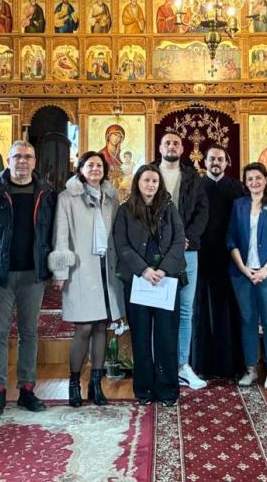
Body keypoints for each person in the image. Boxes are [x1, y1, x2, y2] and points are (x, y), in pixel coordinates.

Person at [0, 141, 57, 416]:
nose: (22, 161)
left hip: (33, 274)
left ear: (34, 162)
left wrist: (55, 269)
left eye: (28, 157)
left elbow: (54, 234)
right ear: (8, 161)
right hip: (0, 275)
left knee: (29, 333)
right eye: (17, 156)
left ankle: (27, 390)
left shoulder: (46, 194)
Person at [49, 152, 124, 407]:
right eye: (90, 165)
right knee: (83, 328)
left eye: (99, 165)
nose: (95, 169)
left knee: (101, 326)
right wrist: (61, 272)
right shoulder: (67, 197)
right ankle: (74, 383)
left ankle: (96, 384)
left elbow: (117, 233)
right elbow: (61, 235)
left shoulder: (111, 197)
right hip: (81, 269)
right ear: (80, 169)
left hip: (106, 269)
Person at [113, 165, 187, 406]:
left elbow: (179, 241)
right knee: (141, 337)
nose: (150, 185)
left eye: (155, 181)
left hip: (166, 281)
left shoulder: (169, 208)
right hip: (138, 281)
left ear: (159, 184)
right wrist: (144, 270)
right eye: (146, 180)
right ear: (138, 182)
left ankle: (168, 390)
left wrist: (163, 270)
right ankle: (144, 389)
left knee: (166, 337)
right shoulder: (125, 210)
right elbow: (121, 244)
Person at [154, 132, 209, 390]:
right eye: (167, 142)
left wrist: (187, 238)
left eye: (176, 143)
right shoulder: (149, 173)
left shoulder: (192, 176)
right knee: (161, 309)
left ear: (182, 148)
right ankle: (162, 366)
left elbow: (202, 211)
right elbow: (139, 209)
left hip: (188, 250)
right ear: (160, 147)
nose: (171, 146)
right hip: (157, 252)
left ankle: (183, 365)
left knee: (186, 309)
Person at [228, 163, 267, 390]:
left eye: (258, 177)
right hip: (242, 273)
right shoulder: (239, 205)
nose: (254, 182)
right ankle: (251, 369)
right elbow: (231, 239)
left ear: (265, 179)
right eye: (250, 178)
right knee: (247, 321)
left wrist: (266, 269)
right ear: (245, 182)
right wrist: (244, 268)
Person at [193, 147, 245, 379]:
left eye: (220, 159)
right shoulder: (196, 186)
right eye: (212, 158)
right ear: (205, 161)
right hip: (201, 257)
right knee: (201, 312)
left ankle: (229, 366)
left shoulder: (237, 188)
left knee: (229, 311)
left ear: (226, 162)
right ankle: (201, 366)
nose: (216, 162)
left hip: (230, 258)